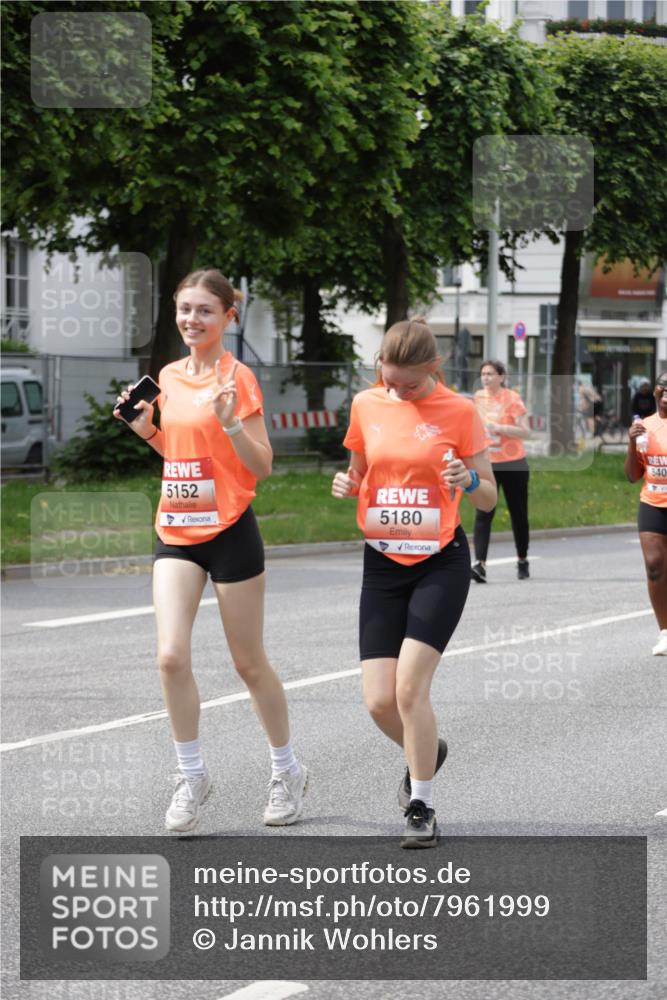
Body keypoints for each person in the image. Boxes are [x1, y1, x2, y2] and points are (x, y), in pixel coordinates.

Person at [114, 268, 307, 833]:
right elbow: (179, 455)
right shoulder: (168, 376)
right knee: (170, 656)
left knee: (248, 663)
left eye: (204, 310)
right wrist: (148, 432)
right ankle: (191, 775)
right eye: (184, 309)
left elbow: (261, 465)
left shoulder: (237, 378)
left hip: (229, 529)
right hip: (175, 528)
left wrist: (229, 426)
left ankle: (285, 769)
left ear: (228, 317)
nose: (191, 319)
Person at [332, 317, 496, 848]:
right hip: (381, 560)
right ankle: (428, 749)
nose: (396, 391)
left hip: (439, 561)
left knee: (409, 688)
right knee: (379, 700)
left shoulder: (460, 411)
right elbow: (359, 471)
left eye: (408, 383)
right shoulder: (367, 404)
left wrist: (468, 480)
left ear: (434, 367)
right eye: (388, 378)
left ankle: (421, 803)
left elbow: (490, 496)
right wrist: (346, 482)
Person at [470, 360, 531, 582]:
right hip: (488, 462)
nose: (485, 378)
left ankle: (522, 559)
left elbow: (525, 431)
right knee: (484, 511)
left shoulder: (512, 398)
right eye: (483, 373)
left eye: (490, 374)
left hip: (513, 462)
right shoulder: (478, 397)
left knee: (518, 513)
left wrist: (501, 428)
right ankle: (480, 564)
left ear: (501, 377)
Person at [624, 372, 667, 656]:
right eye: (662, 390)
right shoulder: (644, 427)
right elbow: (632, 475)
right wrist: (630, 442)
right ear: (654, 393)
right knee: (654, 566)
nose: (665, 396)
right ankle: (665, 632)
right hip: (652, 502)